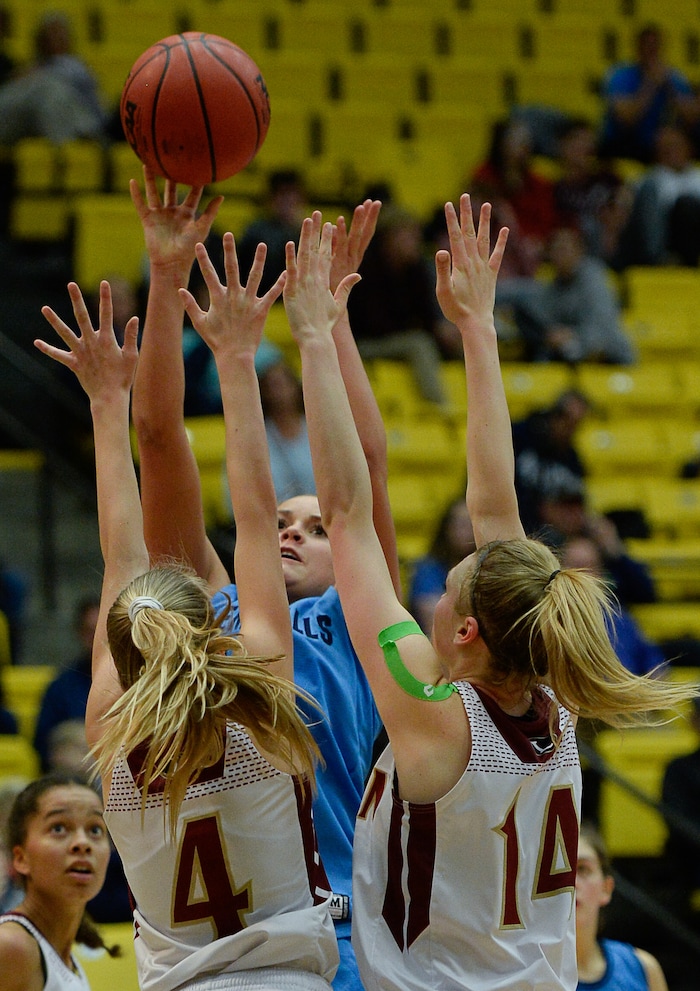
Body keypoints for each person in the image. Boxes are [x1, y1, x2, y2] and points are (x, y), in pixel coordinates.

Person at [285, 193, 699, 991]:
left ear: (468, 629)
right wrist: (478, 327)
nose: (432, 594)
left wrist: (310, 334)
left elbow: (346, 515)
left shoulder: (434, 710)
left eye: (447, 590)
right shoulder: (555, 699)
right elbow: (496, 508)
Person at [36, 255, 339, 988]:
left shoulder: (109, 724)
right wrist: (237, 361)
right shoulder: (261, 691)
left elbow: (120, 557)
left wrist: (108, 411)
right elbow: (256, 514)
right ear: (212, 624)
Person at [130, 169, 399, 991]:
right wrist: (167, 278)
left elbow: (367, 466)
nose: (294, 530)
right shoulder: (211, 602)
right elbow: (159, 438)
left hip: (339, 934)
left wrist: (333, 323)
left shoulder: (358, 618)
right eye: (284, 518)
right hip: (232, 947)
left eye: (318, 529)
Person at [0, 772, 115, 990]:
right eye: (58, 828)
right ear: (20, 858)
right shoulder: (12, 946)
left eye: (95, 829)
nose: (83, 843)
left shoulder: (64, 957)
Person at [346, 202, 458, 407]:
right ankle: (439, 407)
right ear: (390, 237)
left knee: (463, 336)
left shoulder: (417, 270)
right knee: (419, 344)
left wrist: (440, 329)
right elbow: (374, 325)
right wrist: (428, 329)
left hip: (401, 336)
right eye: (409, 235)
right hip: (363, 343)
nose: (416, 241)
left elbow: (426, 313)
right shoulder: (365, 269)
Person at [498, 225, 636, 364]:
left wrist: (573, 335)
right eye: (555, 249)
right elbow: (524, 294)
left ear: (579, 251)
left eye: (564, 249)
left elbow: (602, 326)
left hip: (610, 358)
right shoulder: (553, 287)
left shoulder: (593, 278)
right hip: (570, 357)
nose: (560, 255)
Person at [576, 821, 669, 990]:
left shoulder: (643, 968)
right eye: (560, 873)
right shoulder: (527, 972)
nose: (571, 883)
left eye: (583, 869)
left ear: (606, 888)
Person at [559, 535, 666, 677]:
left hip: (625, 695)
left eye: (589, 567)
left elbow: (657, 667)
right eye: (576, 567)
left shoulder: (620, 619)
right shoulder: (550, 622)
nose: (583, 576)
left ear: (601, 574)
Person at [471, 117, 561, 278]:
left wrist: (536, 241)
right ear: (502, 144)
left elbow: (546, 222)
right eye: (517, 141)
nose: (524, 147)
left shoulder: (539, 184)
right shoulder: (483, 178)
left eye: (526, 141)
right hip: (491, 250)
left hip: (529, 253)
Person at [0, 10, 107, 145]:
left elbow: (96, 104)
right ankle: (71, 151)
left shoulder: (79, 70)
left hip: (76, 119)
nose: (57, 38)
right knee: (50, 87)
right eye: (52, 34)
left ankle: (82, 147)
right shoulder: (28, 74)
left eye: (61, 34)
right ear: (40, 40)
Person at [599, 22, 700, 164]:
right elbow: (626, 118)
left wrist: (671, 91)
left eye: (655, 46)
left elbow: (691, 118)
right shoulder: (620, 75)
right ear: (638, 48)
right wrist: (650, 84)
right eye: (648, 46)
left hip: (658, 141)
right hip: (626, 141)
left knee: (674, 139)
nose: (652, 51)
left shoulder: (673, 77)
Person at [614, 123, 700, 268]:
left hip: (691, 242)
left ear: (688, 147)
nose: (671, 151)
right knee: (648, 191)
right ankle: (658, 258)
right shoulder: (645, 179)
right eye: (666, 147)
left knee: (686, 205)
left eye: (676, 146)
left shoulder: (697, 177)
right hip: (656, 242)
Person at [552, 117, 632, 265]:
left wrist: (618, 215)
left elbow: (626, 197)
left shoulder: (608, 178)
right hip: (583, 253)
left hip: (620, 241)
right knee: (588, 225)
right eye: (579, 141)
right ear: (563, 146)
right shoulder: (557, 190)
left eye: (588, 142)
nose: (585, 147)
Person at [33, 595, 99, 773]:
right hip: (77, 774)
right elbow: (43, 745)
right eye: (90, 631)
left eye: (103, 630)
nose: (98, 639)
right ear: (79, 632)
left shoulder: (140, 680)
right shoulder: (61, 687)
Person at [513, 388, 590, 535]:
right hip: (513, 517)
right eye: (567, 421)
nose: (570, 430)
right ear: (555, 416)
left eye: (576, 425)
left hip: (546, 533)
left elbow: (576, 502)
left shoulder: (571, 457)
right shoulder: (520, 436)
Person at [408, 497, 475, 634]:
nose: (463, 531)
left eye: (469, 524)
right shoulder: (428, 568)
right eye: (459, 524)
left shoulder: (489, 568)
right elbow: (432, 623)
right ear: (447, 527)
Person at [237, 168, 307, 295]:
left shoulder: (309, 234)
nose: (287, 201)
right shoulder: (255, 233)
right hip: (262, 301)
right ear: (271, 198)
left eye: (292, 194)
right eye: (282, 194)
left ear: (300, 198)